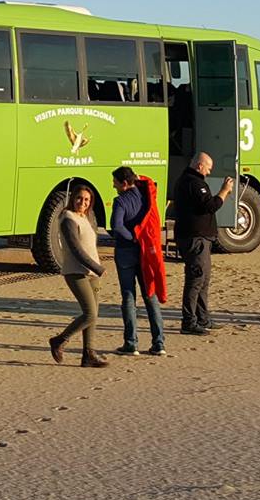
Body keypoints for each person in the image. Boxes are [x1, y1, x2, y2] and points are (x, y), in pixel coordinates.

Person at [48, 181, 108, 368]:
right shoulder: (68, 219)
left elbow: (90, 246)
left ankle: (88, 354)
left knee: (93, 315)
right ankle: (59, 340)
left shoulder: (85, 218)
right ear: (72, 199)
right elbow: (76, 249)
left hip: (91, 273)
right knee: (90, 314)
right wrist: (97, 267)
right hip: (76, 271)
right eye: (79, 198)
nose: (82, 202)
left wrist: (96, 267)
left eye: (87, 200)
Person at [108, 166, 168, 355]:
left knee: (128, 296)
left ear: (124, 184)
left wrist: (132, 236)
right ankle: (159, 343)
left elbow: (116, 226)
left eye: (115, 182)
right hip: (146, 253)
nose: (113, 185)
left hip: (126, 251)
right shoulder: (146, 196)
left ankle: (131, 342)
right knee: (150, 295)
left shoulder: (121, 201)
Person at [170, 153, 230, 335]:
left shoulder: (190, 180)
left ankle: (202, 318)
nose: (210, 171)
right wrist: (225, 190)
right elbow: (210, 205)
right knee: (195, 280)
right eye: (208, 167)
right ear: (199, 165)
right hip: (195, 239)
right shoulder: (193, 182)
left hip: (199, 238)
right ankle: (189, 322)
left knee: (203, 280)